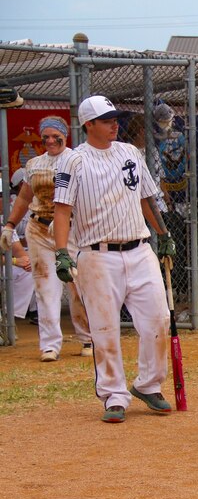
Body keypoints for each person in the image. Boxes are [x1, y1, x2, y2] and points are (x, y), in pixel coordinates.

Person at [52, 95, 177, 423]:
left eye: (115, 118)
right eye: (106, 120)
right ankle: (113, 394)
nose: (114, 124)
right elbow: (62, 209)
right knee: (105, 327)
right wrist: (62, 252)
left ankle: (148, 385)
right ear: (88, 125)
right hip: (97, 256)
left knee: (158, 319)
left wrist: (163, 235)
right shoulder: (73, 160)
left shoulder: (130, 153)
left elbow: (147, 197)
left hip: (140, 249)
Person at [1, 116, 93, 361]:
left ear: (65, 135)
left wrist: (66, 216)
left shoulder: (77, 160)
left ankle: (87, 338)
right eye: (46, 137)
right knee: (45, 286)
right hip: (39, 228)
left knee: (77, 284)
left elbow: (88, 196)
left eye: (56, 136)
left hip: (71, 229)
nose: (50, 140)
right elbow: (23, 197)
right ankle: (50, 345)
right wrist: (10, 225)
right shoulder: (34, 164)